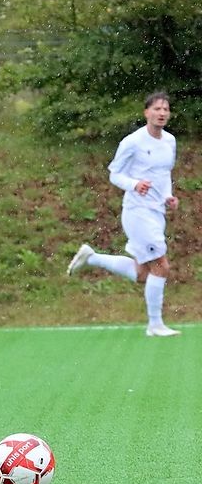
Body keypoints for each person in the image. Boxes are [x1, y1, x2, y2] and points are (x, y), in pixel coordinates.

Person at [67, 91, 181, 337]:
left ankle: (92, 258)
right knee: (161, 266)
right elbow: (115, 174)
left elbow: (164, 176)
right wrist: (134, 184)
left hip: (156, 211)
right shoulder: (132, 142)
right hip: (137, 212)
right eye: (157, 109)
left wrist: (168, 198)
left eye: (165, 109)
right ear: (146, 112)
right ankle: (155, 325)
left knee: (143, 274)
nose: (162, 113)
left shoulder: (170, 141)